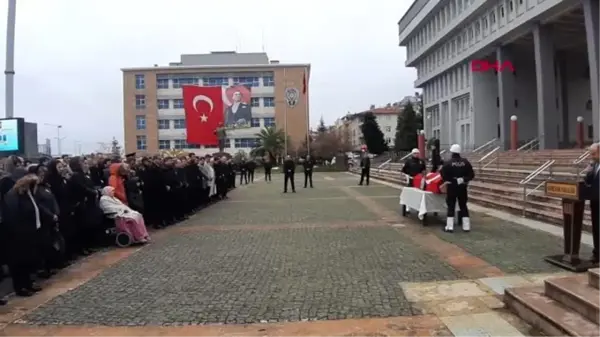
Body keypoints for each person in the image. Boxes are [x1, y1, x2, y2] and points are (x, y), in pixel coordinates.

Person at [3, 174, 44, 297]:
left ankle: (28, 283)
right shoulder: (13, 196)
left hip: (29, 233)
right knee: (19, 262)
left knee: (28, 260)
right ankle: (20, 287)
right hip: (18, 236)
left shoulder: (28, 194)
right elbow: (13, 216)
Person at [440, 144, 475, 233]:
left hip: (452, 186)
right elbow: (471, 175)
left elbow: (443, 175)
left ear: (452, 152)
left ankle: (449, 226)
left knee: (451, 206)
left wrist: (451, 180)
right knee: (463, 205)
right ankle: (466, 226)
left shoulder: (448, 163)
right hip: (462, 186)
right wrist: (463, 179)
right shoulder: (465, 162)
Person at [584, 143, 600, 262]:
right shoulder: (594, 165)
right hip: (595, 203)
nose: (592, 156)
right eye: (591, 154)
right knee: (596, 228)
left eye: (594, 154)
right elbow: (588, 181)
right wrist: (588, 171)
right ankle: (597, 253)